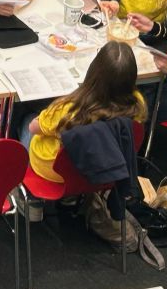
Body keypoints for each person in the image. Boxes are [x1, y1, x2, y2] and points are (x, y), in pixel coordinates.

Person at [24, 41, 148, 183]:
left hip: (55, 171)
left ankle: (22, 174)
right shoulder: (137, 104)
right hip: (100, 170)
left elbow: (33, 128)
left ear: (94, 71)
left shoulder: (69, 108)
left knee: (27, 117)